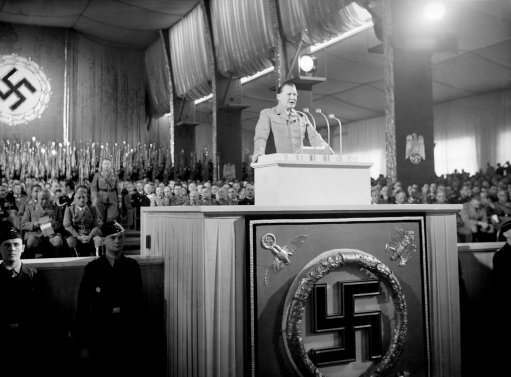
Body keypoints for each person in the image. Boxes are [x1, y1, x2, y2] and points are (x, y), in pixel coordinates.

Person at [75, 221, 143, 376]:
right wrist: (83, 343)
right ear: (104, 240)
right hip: (100, 332)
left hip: (126, 333)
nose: (117, 241)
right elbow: (83, 306)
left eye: (120, 237)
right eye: (113, 238)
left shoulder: (132, 267)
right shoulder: (93, 269)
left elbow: (138, 303)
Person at [0, 220, 44, 376]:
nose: (12, 249)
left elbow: (42, 313)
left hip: (29, 342)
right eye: (7, 245)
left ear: (23, 248)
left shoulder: (35, 276)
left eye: (16, 244)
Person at [252, 80, 333, 163]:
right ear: (278, 96)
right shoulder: (267, 114)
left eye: (295, 95)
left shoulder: (302, 117)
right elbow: (261, 137)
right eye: (289, 94)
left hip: (297, 165)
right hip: (276, 165)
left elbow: (315, 138)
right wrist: (259, 155)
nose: (293, 97)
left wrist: (331, 154)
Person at [63, 186, 102, 257]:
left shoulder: (93, 209)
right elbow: (67, 225)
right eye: (79, 197)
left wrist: (90, 236)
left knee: (98, 240)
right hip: (75, 235)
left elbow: (97, 224)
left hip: (90, 234)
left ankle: (98, 259)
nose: (82, 200)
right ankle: (75, 260)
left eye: (84, 197)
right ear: (75, 198)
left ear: (87, 198)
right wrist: (78, 236)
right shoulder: (69, 209)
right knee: (70, 241)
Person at [91, 158, 119, 223]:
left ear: (111, 165)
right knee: (100, 217)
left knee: (111, 218)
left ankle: (110, 231)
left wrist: (119, 201)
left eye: (108, 164)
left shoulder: (115, 175)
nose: (106, 166)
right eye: (105, 164)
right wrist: (94, 198)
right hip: (100, 197)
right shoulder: (97, 175)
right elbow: (93, 188)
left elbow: (118, 188)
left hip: (112, 196)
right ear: (102, 165)